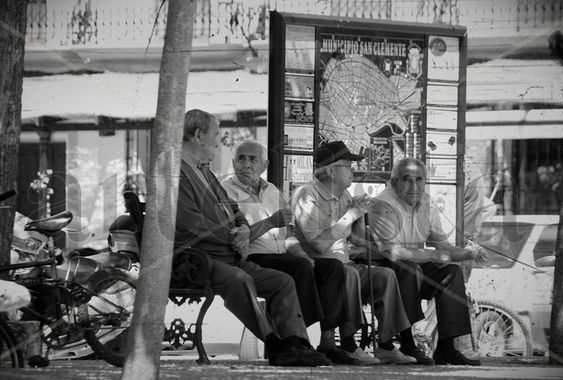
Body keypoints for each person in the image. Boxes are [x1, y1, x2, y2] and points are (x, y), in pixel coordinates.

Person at [174, 109, 330, 366]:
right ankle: (275, 344)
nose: (217, 141)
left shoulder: (205, 171)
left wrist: (244, 229)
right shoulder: (179, 171)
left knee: (283, 281)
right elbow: (189, 224)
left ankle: (297, 343)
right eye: (215, 135)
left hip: (228, 253)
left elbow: (234, 211)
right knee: (240, 278)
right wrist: (232, 239)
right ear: (199, 135)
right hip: (197, 259)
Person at [221, 140, 378, 365]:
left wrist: (301, 253)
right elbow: (233, 238)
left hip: (281, 255)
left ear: (264, 165)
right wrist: (269, 223)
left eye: (252, 159)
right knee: (302, 267)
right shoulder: (226, 190)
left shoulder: (271, 190)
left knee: (330, 268)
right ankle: (296, 339)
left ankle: (324, 341)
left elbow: (287, 234)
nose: (246, 164)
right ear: (233, 162)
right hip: (251, 256)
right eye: (241, 158)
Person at [291, 140, 417, 365]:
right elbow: (319, 245)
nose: (353, 171)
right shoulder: (306, 195)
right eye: (347, 166)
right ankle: (349, 344)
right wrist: (351, 214)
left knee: (385, 275)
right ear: (330, 170)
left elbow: (356, 239)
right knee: (346, 273)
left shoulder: (345, 196)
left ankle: (386, 344)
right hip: (320, 267)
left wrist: (362, 216)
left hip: (345, 263)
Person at [368, 157, 486, 366]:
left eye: (419, 180)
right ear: (394, 183)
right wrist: (433, 256)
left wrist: (469, 254)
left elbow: (444, 247)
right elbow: (392, 253)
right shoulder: (382, 204)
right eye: (407, 180)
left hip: (414, 265)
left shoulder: (427, 203)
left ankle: (447, 348)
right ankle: (407, 343)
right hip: (382, 267)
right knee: (409, 268)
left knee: (451, 272)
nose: (414, 186)